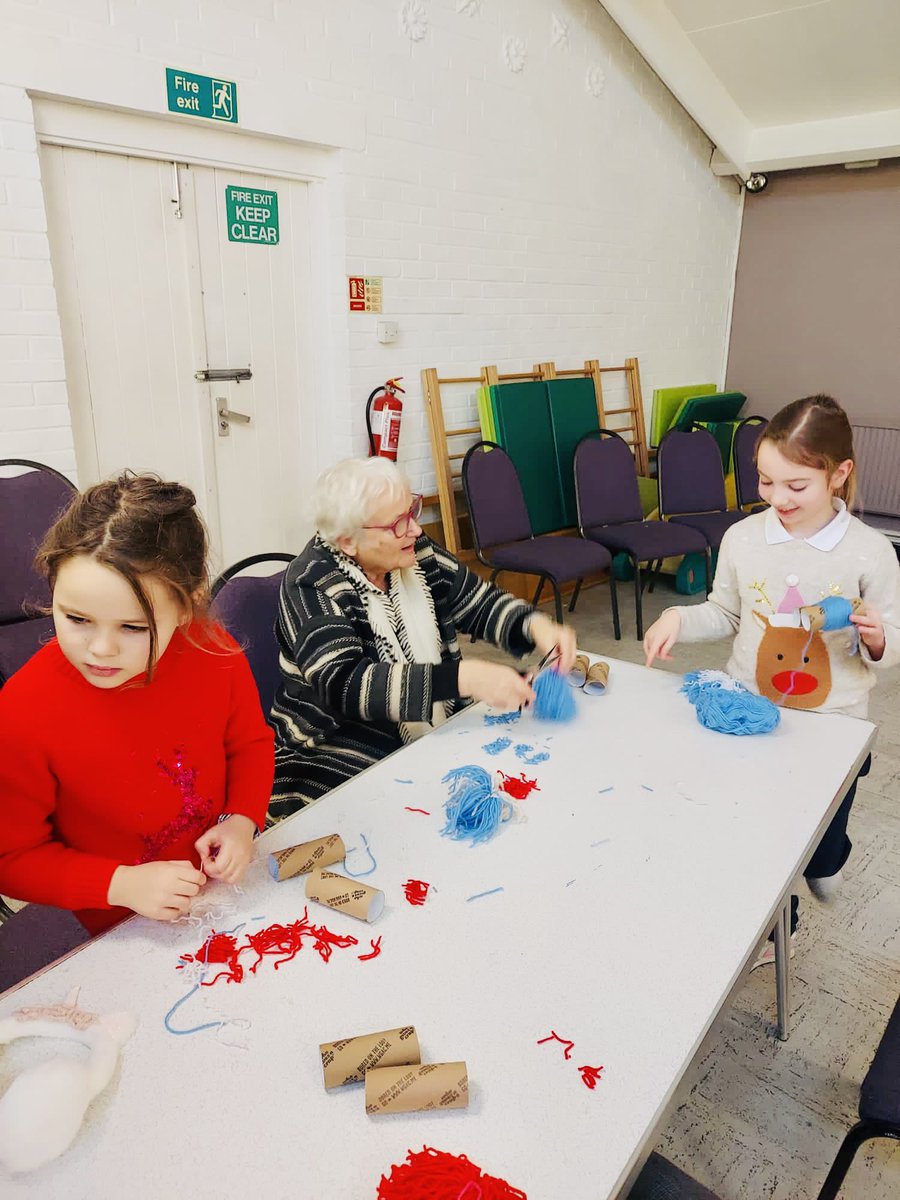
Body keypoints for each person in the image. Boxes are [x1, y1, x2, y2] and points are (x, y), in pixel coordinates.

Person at [643, 395, 900, 966]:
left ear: (839, 474)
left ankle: (828, 859)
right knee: (756, 834)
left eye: (796, 486)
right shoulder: (743, 538)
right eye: (765, 481)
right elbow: (728, 613)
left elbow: (890, 645)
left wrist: (877, 636)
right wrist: (678, 617)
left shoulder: (872, 553)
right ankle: (773, 924)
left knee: (818, 850)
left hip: (833, 726)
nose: (777, 499)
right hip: (752, 708)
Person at [0, 473, 274, 954]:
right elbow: (12, 857)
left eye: (132, 627)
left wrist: (241, 819)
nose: (100, 650)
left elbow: (249, 744)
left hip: (229, 894)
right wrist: (120, 884)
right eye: (76, 618)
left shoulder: (213, 650)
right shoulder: (24, 709)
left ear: (187, 608)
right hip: (124, 927)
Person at [270, 457, 577, 816]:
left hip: (433, 727)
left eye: (411, 511)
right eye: (398, 523)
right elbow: (347, 685)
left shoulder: (414, 550)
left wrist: (534, 626)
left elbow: (476, 602)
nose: (414, 529)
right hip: (338, 751)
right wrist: (464, 678)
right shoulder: (310, 584)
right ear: (347, 541)